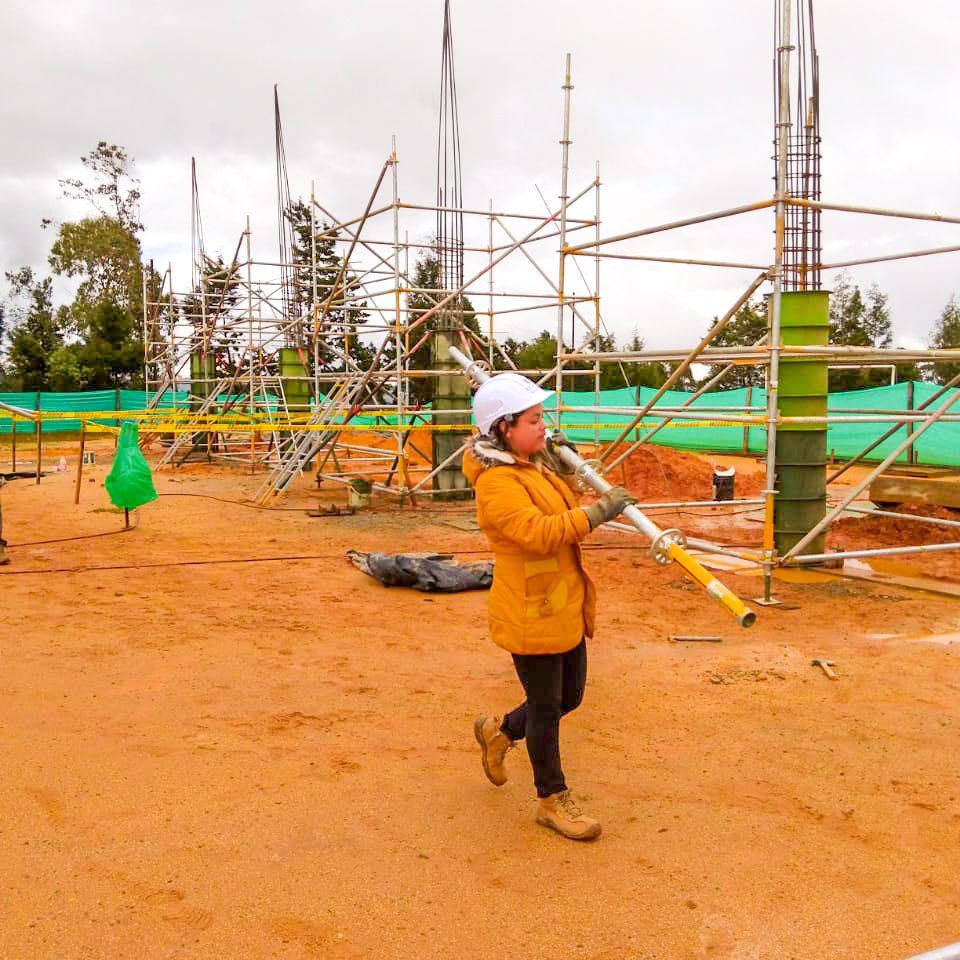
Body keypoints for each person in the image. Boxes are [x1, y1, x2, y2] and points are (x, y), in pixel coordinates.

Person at [461, 372, 635, 841]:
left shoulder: (531, 464)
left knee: (569, 697)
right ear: (503, 428)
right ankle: (552, 800)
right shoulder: (497, 482)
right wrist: (599, 512)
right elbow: (539, 533)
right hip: (529, 605)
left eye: (543, 418)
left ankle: (501, 734)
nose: (544, 426)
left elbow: (560, 507)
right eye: (535, 420)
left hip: (561, 598)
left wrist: (565, 470)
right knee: (545, 706)